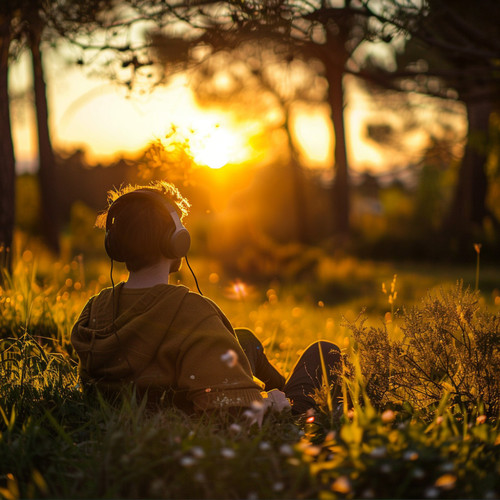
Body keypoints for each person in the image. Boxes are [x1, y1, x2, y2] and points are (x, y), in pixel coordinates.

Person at [71, 181, 342, 419]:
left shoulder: (94, 309)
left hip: (152, 402)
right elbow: (236, 415)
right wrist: (272, 404)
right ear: (176, 241)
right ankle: (303, 415)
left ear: (115, 244)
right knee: (324, 351)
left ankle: (281, 387)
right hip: (219, 417)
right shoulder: (192, 312)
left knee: (244, 340)